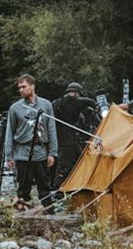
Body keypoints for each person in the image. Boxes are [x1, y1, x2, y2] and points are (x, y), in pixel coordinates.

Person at [5, 74, 58, 206]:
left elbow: (51, 129)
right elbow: (9, 132)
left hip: (41, 151)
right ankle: (23, 214)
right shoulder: (15, 108)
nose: (21, 90)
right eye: (19, 88)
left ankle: (48, 213)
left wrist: (52, 153)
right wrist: (9, 155)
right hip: (23, 153)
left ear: (32, 86)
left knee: (45, 187)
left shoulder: (46, 105)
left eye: (24, 87)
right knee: (23, 188)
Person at [52, 81, 100, 183]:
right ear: (76, 93)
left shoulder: (56, 103)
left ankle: (69, 186)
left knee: (74, 162)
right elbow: (87, 101)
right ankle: (59, 191)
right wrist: (96, 104)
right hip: (66, 139)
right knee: (65, 165)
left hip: (62, 137)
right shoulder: (70, 100)